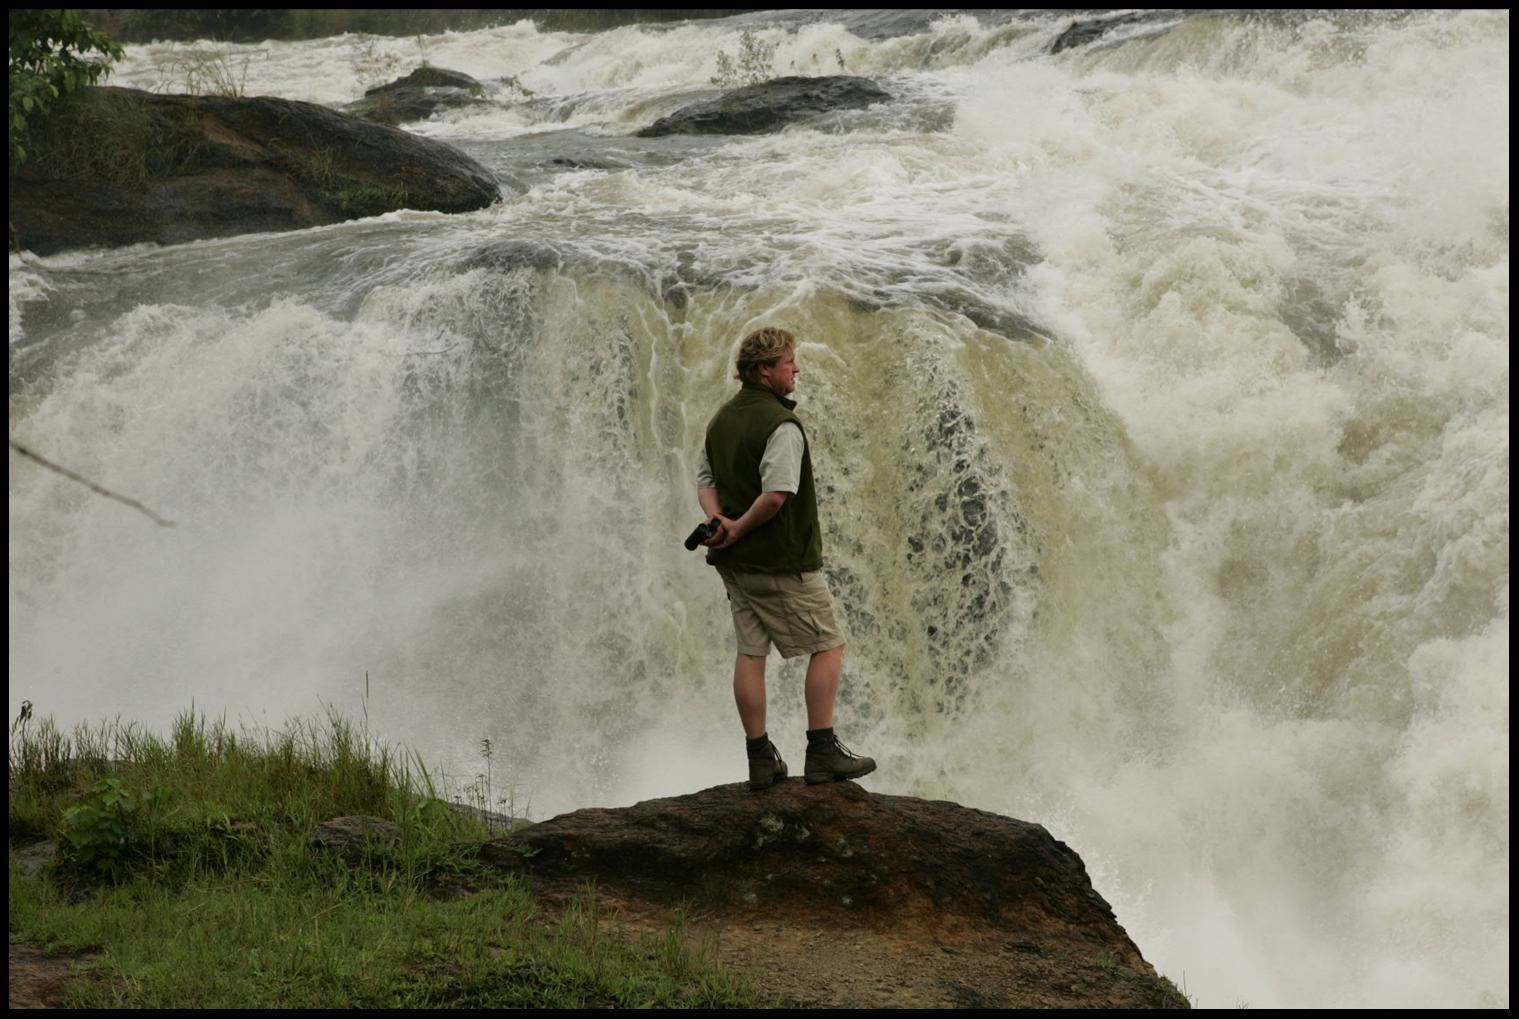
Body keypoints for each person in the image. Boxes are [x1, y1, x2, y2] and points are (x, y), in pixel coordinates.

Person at [696, 326, 876, 791]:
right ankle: (821, 751)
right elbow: (776, 497)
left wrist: (718, 522)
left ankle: (760, 758)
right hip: (780, 561)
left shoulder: (722, 419)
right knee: (828, 644)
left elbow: (705, 477)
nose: (796, 369)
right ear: (764, 370)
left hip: (734, 564)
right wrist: (738, 526)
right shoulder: (781, 425)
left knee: (751, 653)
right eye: (788, 362)